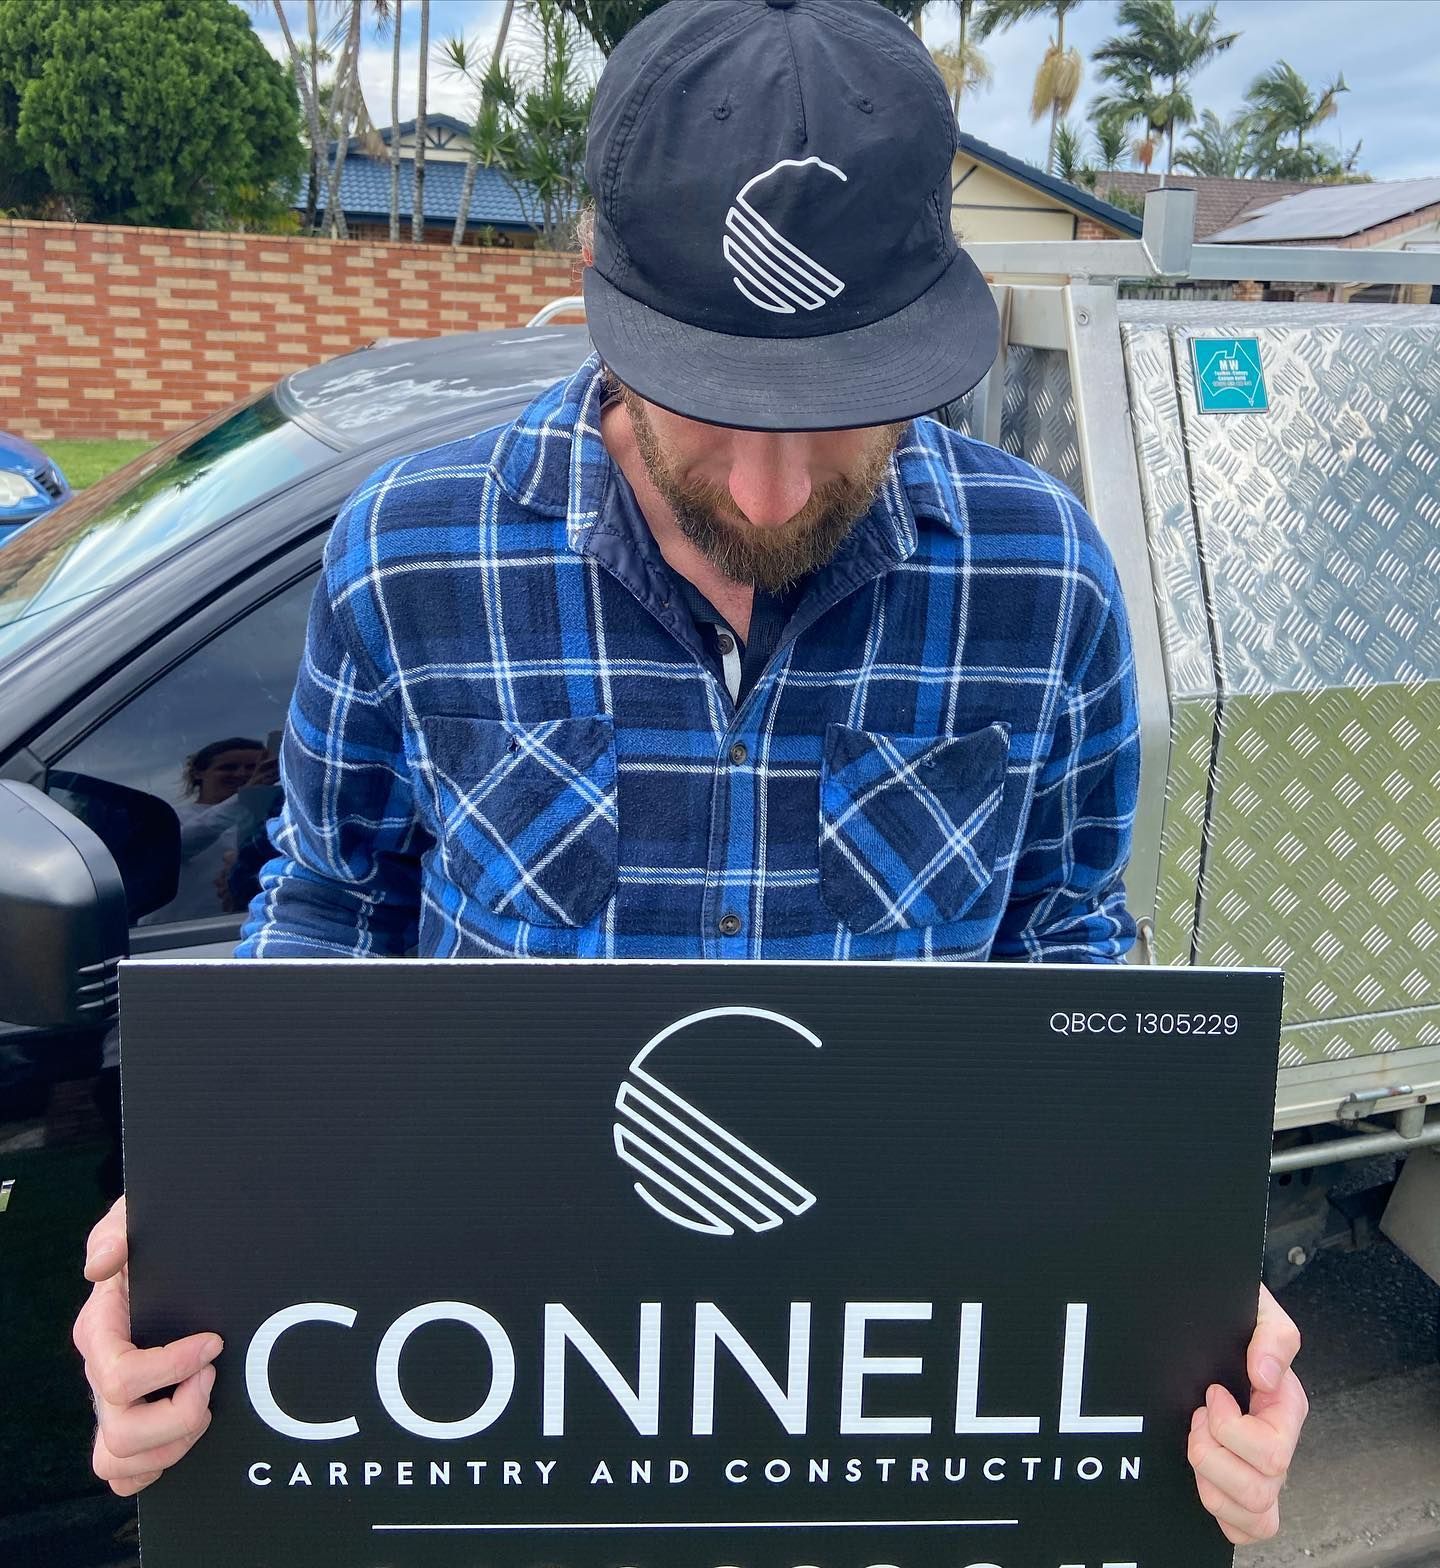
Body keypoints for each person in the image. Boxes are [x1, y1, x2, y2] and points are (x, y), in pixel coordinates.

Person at [72, 0, 1307, 1544]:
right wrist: (208, 1228)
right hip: (509, 1440)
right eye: (717, 406)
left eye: (839, 407)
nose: (779, 486)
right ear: (598, 290)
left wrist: (1183, 1297)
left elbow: (1068, 959)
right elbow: (325, 910)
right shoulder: (412, 554)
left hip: (876, 1446)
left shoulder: (1041, 582)